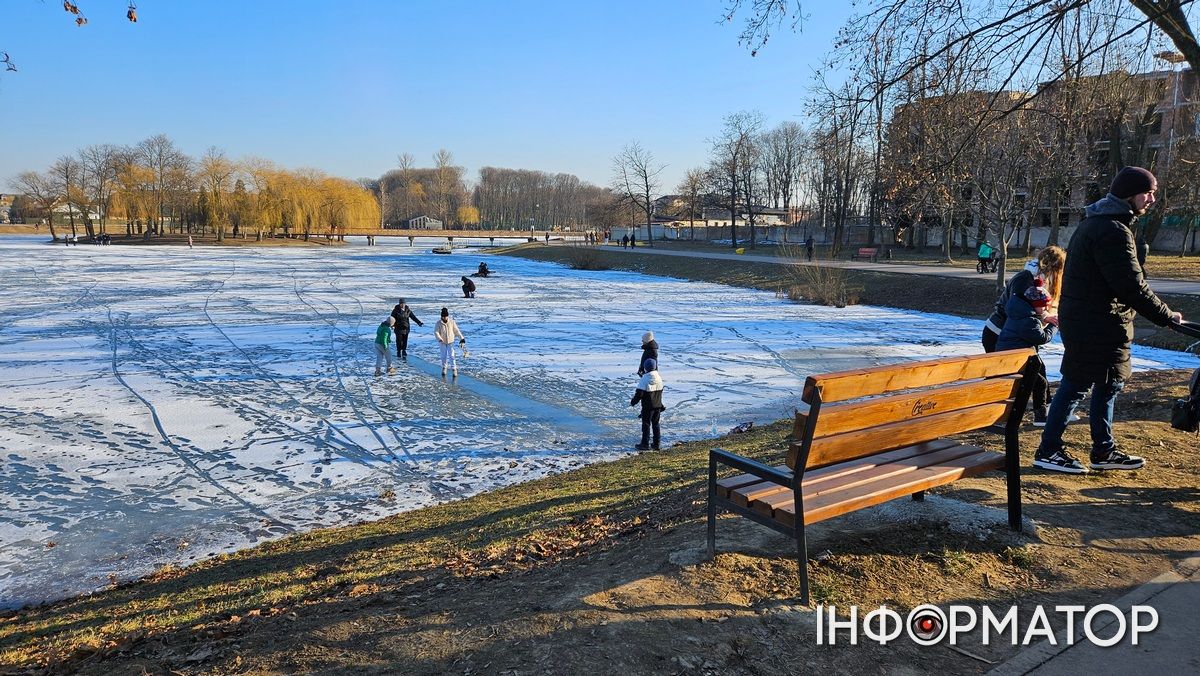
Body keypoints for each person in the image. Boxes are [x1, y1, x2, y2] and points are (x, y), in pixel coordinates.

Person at [1034, 166, 1184, 474]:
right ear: (1130, 194)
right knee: (1077, 384)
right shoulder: (1111, 230)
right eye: (1148, 192)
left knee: (1109, 384)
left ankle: (1104, 451)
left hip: (1101, 321)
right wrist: (1166, 317)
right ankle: (1048, 450)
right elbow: (1131, 285)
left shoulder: (1104, 223)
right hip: (1096, 324)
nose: (1152, 199)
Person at [996, 278, 1058, 425]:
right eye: (1044, 306)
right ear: (1035, 305)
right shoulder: (1028, 320)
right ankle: (1040, 416)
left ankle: (1040, 415)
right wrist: (1054, 325)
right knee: (1039, 383)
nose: (1045, 310)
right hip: (1014, 362)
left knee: (1038, 376)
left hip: (1011, 358)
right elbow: (1041, 337)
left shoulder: (1020, 312)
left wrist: (1045, 319)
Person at [982, 246, 1066, 353]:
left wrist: (1045, 317)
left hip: (1014, 336)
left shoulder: (1037, 279)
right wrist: (1045, 318)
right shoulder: (1025, 279)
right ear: (1053, 268)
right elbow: (1018, 310)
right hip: (999, 333)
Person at [631, 358, 666, 451]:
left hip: (648, 407)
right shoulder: (659, 378)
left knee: (646, 425)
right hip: (657, 406)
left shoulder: (645, 379)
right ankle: (656, 444)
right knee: (656, 424)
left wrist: (633, 402)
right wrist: (661, 404)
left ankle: (645, 444)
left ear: (646, 368)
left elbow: (639, 393)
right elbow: (660, 392)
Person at [434, 307, 466, 377]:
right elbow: (436, 332)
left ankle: (454, 369)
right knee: (443, 356)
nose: (444, 318)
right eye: (443, 316)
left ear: (447, 316)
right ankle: (444, 368)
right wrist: (439, 338)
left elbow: (456, 331)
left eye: (445, 316)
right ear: (441, 316)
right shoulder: (438, 323)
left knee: (452, 355)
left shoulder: (452, 322)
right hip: (442, 342)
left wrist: (461, 338)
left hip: (450, 341)